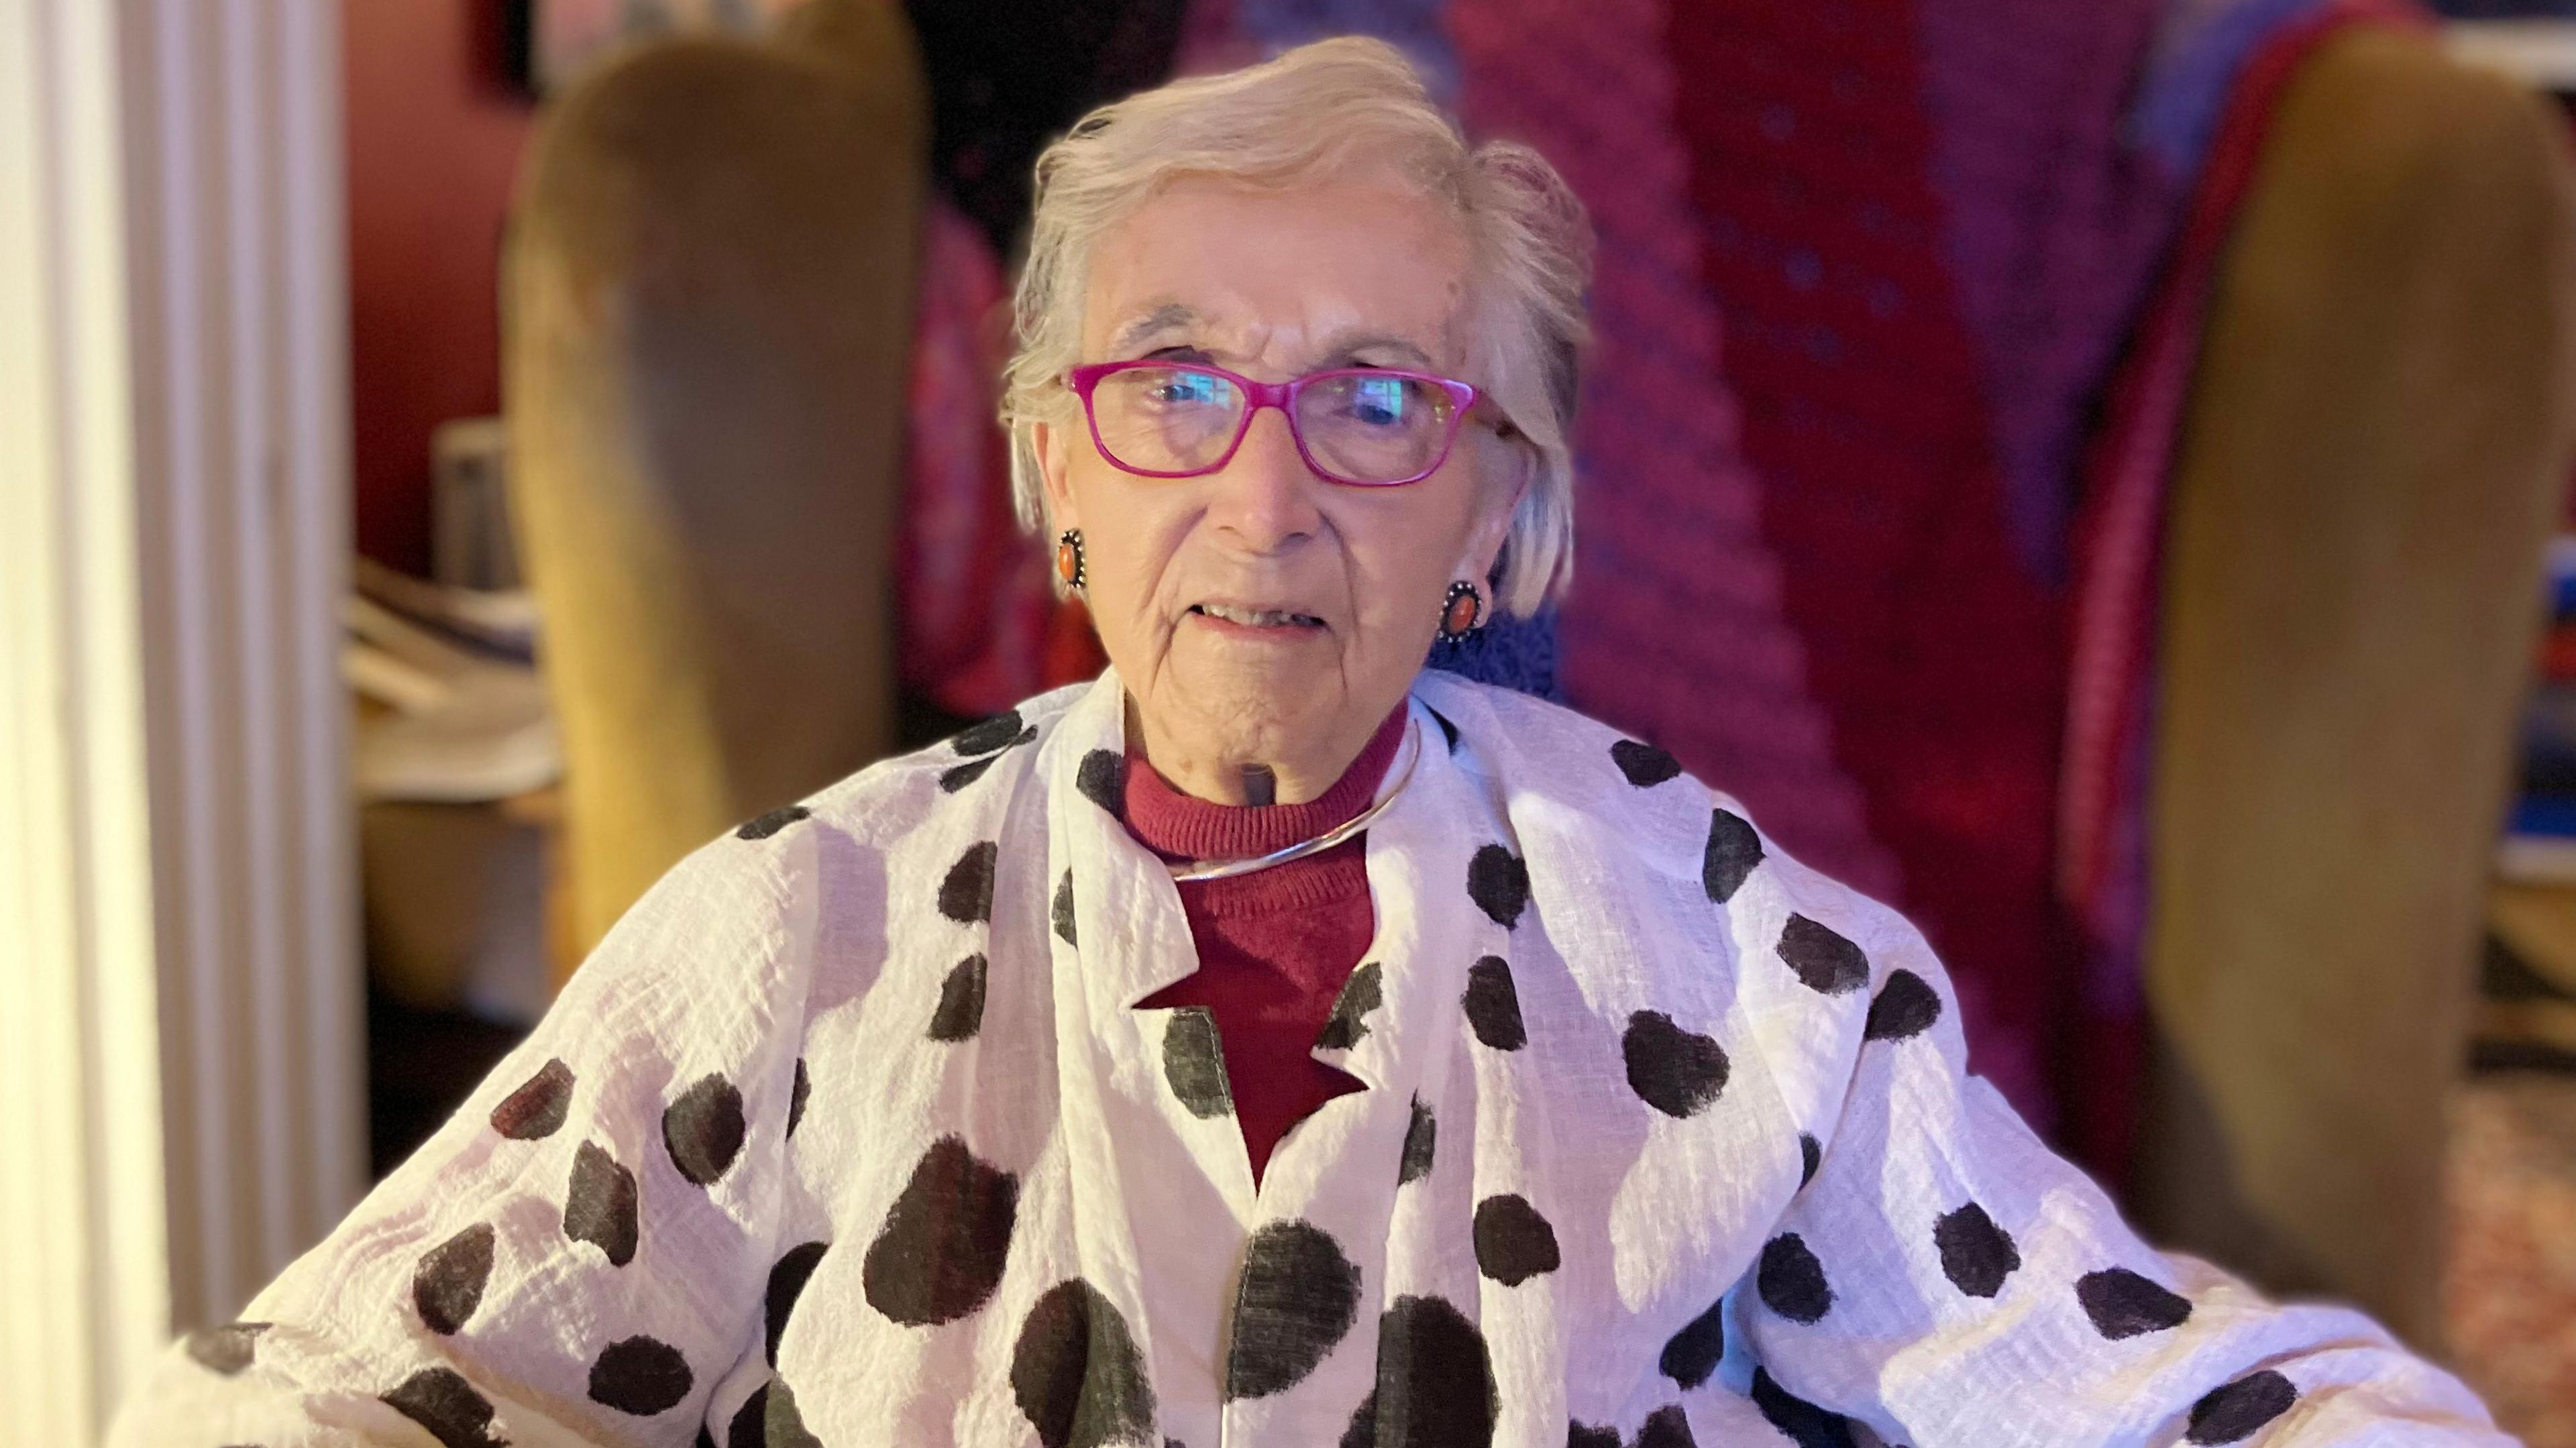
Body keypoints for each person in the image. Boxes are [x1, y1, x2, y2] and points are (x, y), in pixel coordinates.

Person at [113, 36, 2508, 1448]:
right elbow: (353, 1376)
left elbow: (2112, 1378)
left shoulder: (1702, 936)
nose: (1264, 498)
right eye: (1173, 393)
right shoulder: (804, 929)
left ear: (1499, 515)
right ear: (1053, 468)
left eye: (1378, 403)